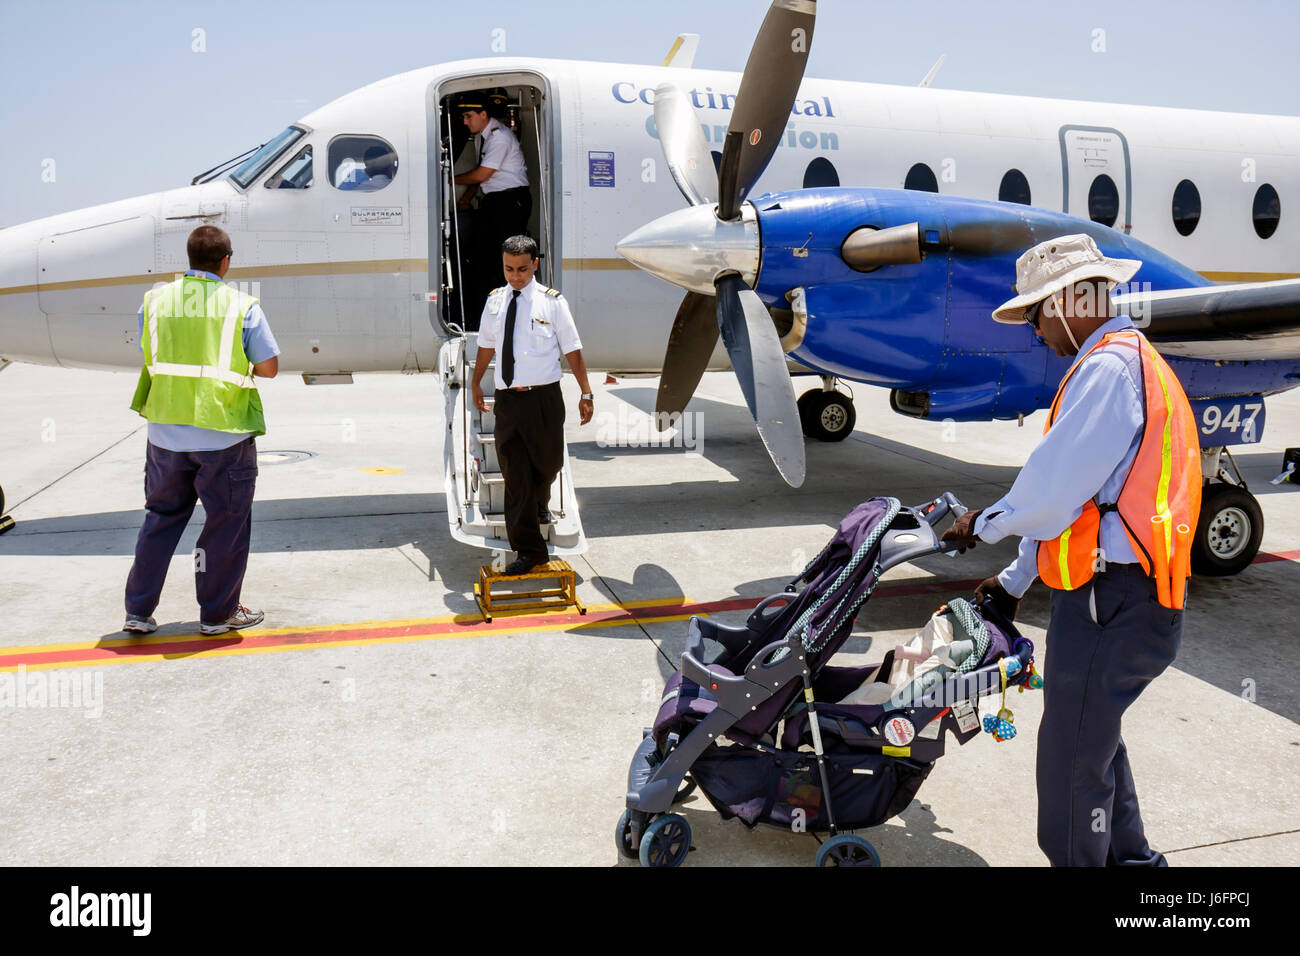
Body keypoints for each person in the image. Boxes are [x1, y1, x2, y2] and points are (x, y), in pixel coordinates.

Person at [940, 233, 1201, 867]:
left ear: (1067, 301)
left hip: (1113, 600)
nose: (1036, 332)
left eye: (1035, 315)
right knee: (1094, 743)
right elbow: (1082, 506)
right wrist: (1012, 581)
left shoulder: (1109, 368)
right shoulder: (1123, 361)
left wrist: (981, 523)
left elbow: (1052, 494)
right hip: (1122, 596)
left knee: (1070, 763)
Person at [123, 225, 280, 636]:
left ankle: (138, 611)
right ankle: (217, 614)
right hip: (223, 434)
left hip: (164, 435)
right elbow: (269, 368)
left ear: (190, 259)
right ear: (226, 260)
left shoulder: (154, 301)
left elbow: (150, 349)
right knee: (224, 524)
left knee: (161, 519)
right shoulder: (242, 305)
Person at [471, 236, 593, 575]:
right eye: (509, 269)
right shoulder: (495, 301)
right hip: (509, 401)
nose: (516, 276)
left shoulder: (552, 303)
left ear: (535, 264)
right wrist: (475, 382)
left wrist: (586, 392)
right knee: (516, 477)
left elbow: (572, 349)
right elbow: (485, 345)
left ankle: (541, 501)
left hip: (544, 399)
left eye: (522, 269)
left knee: (548, 464)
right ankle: (530, 550)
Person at [455, 91, 531, 328]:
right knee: (483, 258)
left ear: (483, 114)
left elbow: (482, 174)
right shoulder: (482, 135)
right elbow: (484, 174)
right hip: (495, 201)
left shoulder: (499, 137)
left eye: (468, 116)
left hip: (510, 202)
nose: (465, 122)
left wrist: (450, 180)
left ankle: (507, 318)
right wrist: (468, 196)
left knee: (501, 259)